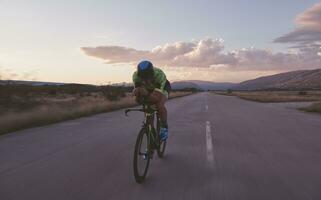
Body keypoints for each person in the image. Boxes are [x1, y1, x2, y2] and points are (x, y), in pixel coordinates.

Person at [132, 60, 171, 141]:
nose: (145, 80)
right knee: (148, 110)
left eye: (147, 78)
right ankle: (151, 141)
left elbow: (157, 98)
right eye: (143, 78)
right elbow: (138, 99)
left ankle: (164, 127)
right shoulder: (136, 76)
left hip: (163, 88)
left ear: (151, 75)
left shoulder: (159, 75)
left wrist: (146, 94)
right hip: (148, 89)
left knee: (159, 105)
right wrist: (139, 97)